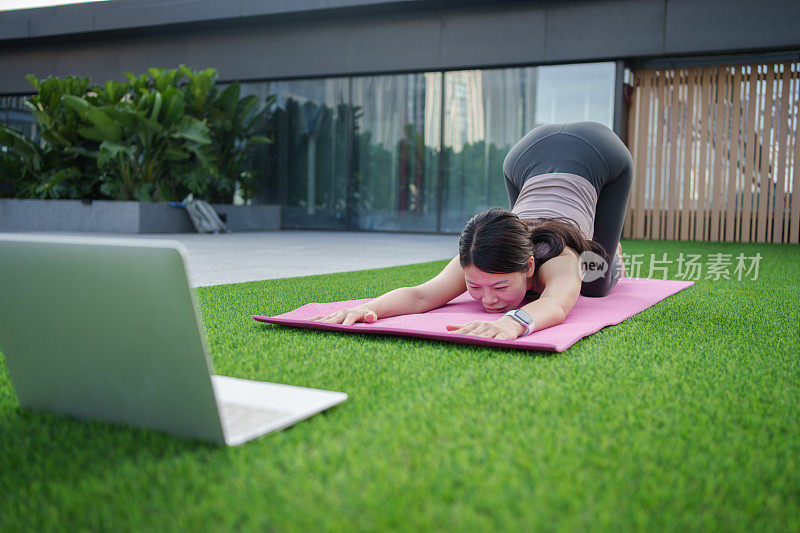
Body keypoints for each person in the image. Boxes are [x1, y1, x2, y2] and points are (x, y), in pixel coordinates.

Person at [308, 121, 634, 340]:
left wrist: (512, 322)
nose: (488, 301)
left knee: (594, 282)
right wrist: (369, 307)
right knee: (511, 243)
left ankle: (613, 247)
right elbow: (423, 294)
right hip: (524, 157)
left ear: (530, 266)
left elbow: (557, 305)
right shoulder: (477, 257)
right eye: (474, 287)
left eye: (501, 286)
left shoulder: (559, 259)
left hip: (601, 153)